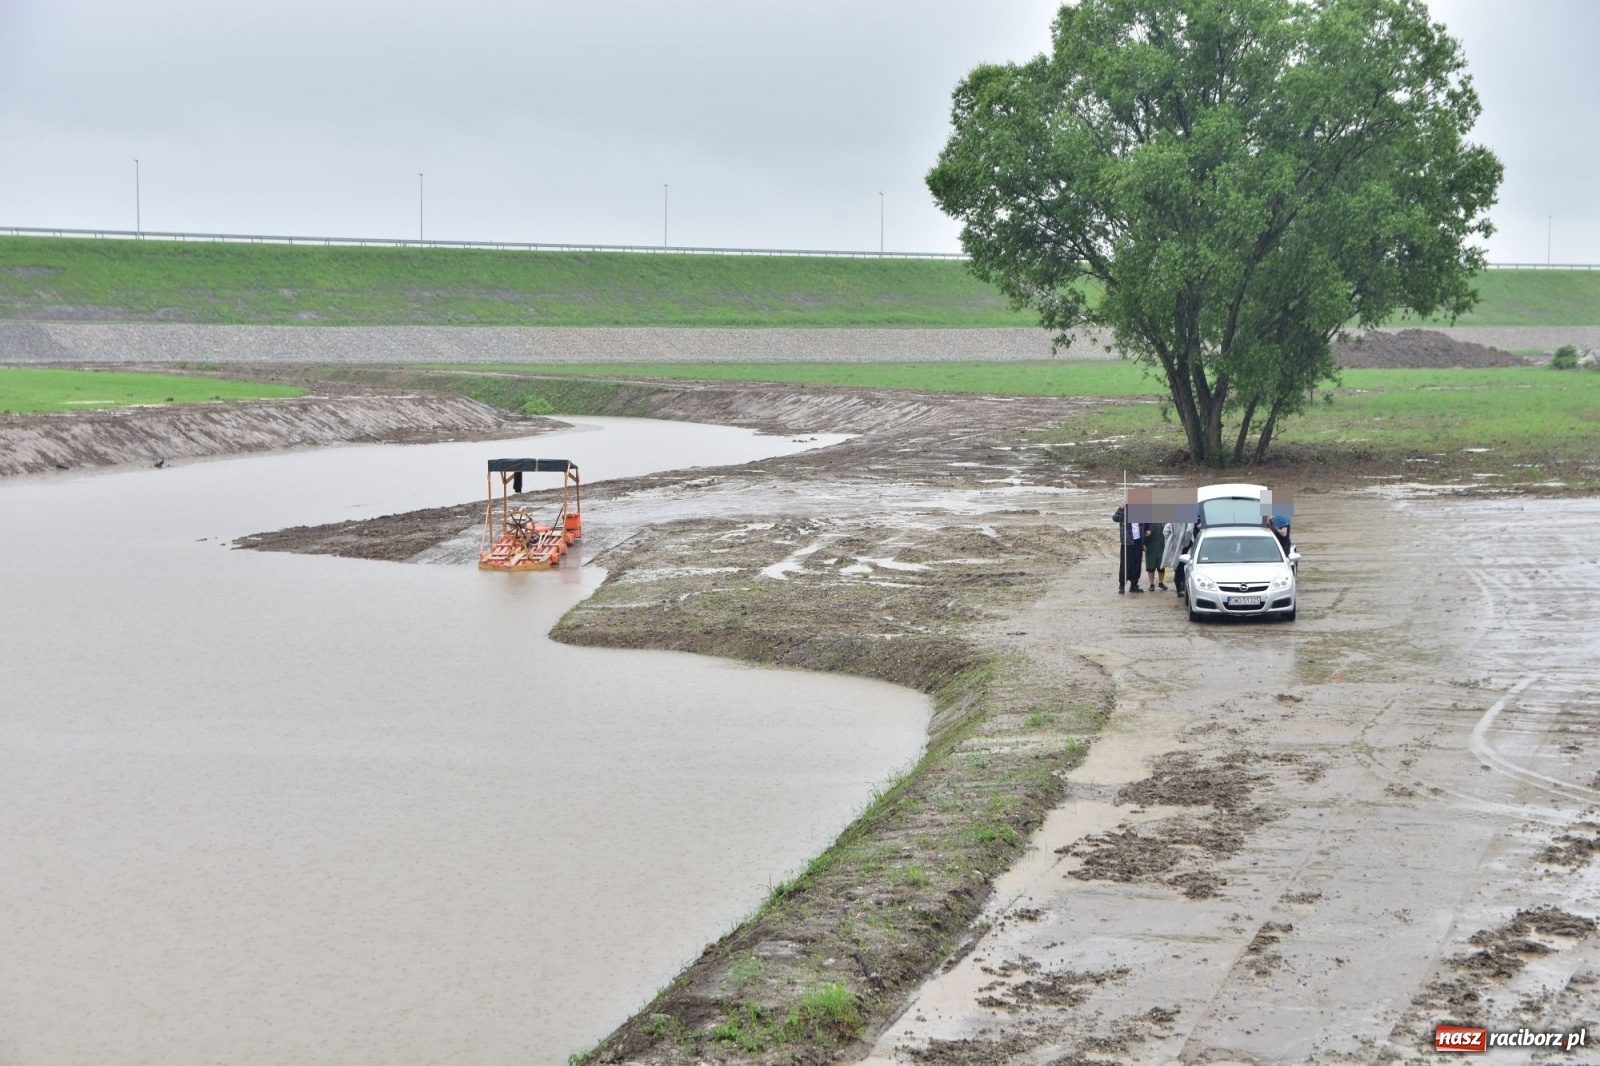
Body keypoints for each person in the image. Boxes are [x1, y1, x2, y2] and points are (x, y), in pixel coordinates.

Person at [1111, 505, 1144, 593]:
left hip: (1138, 541)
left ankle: (1134, 585)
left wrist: (1148, 531)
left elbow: (1146, 524)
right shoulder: (1125, 511)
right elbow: (1115, 518)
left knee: (1136, 564)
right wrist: (1121, 508)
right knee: (1125, 564)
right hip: (1127, 542)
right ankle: (1122, 585)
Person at [1160, 520, 1190, 594]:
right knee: (1186, 566)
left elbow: (1165, 531)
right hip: (1186, 545)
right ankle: (1183, 586)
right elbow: (1189, 530)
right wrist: (1186, 542)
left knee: (1177, 566)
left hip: (1176, 544)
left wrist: (1171, 539)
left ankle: (1179, 589)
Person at [1144, 521, 1166, 591]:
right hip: (1150, 542)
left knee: (1162, 563)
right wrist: (1143, 543)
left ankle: (1161, 582)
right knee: (1150, 564)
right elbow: (1142, 529)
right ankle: (1151, 584)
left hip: (1161, 543)